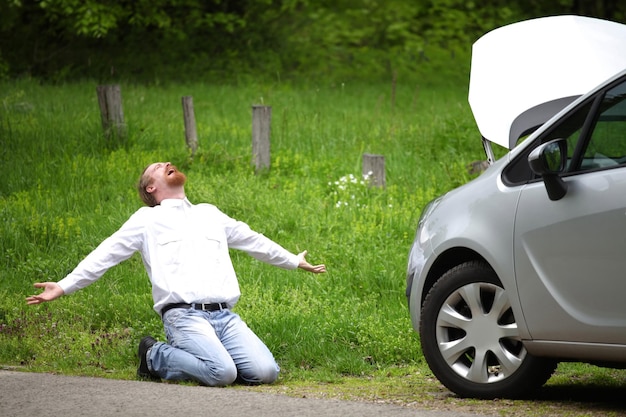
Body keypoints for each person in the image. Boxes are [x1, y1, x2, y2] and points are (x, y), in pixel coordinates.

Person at [26, 161, 326, 386]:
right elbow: (104, 255)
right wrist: (64, 286)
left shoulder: (209, 213)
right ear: (151, 188)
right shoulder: (146, 220)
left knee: (266, 373)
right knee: (222, 373)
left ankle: (211, 361)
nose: (166, 164)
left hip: (225, 316)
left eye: (167, 163)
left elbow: (253, 240)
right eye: (157, 167)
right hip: (184, 316)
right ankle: (153, 355)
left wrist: (292, 260)